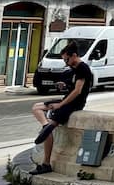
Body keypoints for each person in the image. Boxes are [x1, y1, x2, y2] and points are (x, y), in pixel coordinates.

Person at [30, 40, 93, 174]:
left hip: (74, 104)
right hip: (67, 101)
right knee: (37, 107)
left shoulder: (83, 68)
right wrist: (64, 86)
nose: (66, 62)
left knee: (50, 127)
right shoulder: (74, 69)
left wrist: (60, 105)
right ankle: (45, 126)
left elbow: (78, 91)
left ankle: (46, 160)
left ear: (74, 55)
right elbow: (72, 88)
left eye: (67, 59)